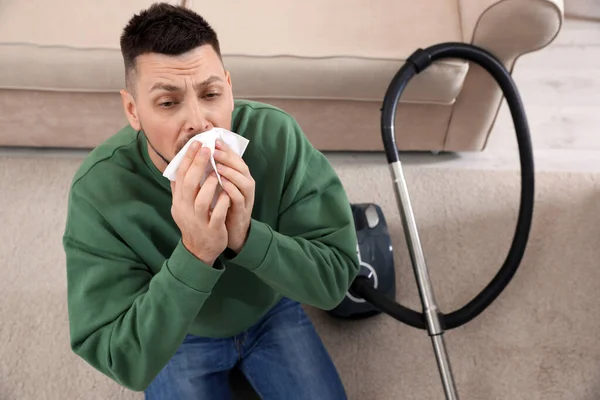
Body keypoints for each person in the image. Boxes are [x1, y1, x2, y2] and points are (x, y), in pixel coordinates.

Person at [62, 3, 360, 399]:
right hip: (179, 331)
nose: (199, 122)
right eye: (168, 103)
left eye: (211, 94)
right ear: (133, 110)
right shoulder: (98, 191)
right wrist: (196, 253)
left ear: (230, 89)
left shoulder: (277, 137)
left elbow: (333, 282)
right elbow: (122, 359)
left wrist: (247, 236)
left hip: (269, 309)